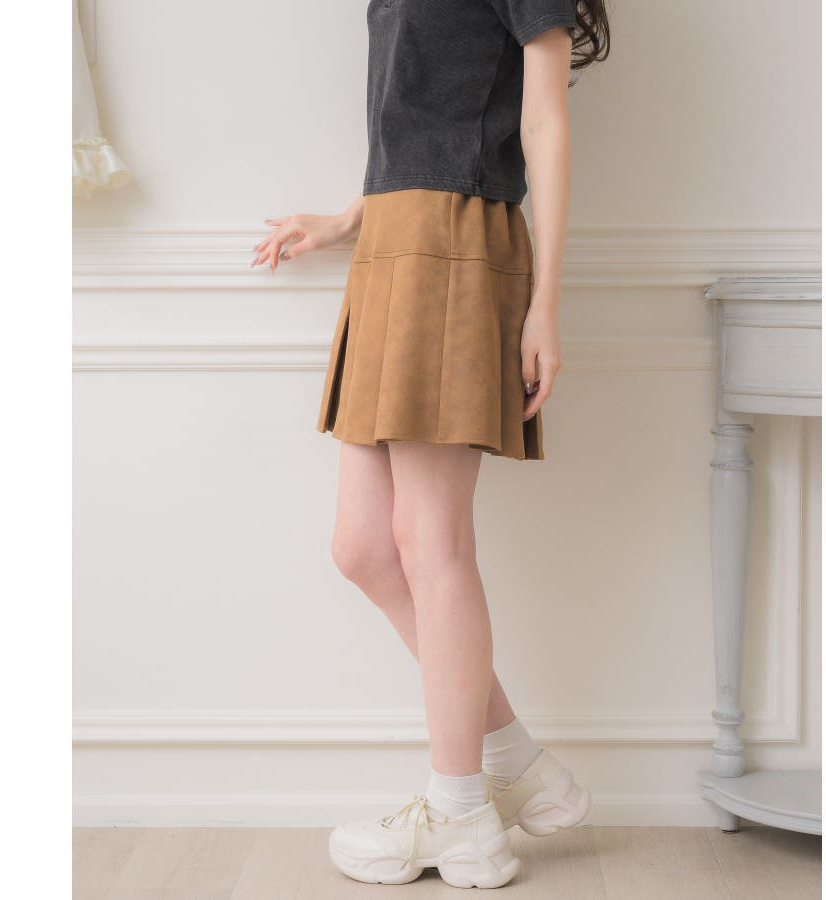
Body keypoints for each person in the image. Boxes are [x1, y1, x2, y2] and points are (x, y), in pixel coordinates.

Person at [252, 0, 610, 889]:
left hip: (453, 245)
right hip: (396, 240)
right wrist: (349, 218)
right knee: (363, 546)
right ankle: (515, 763)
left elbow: (540, 123)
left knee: (430, 541)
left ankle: (461, 815)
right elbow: (428, 119)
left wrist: (546, 306)